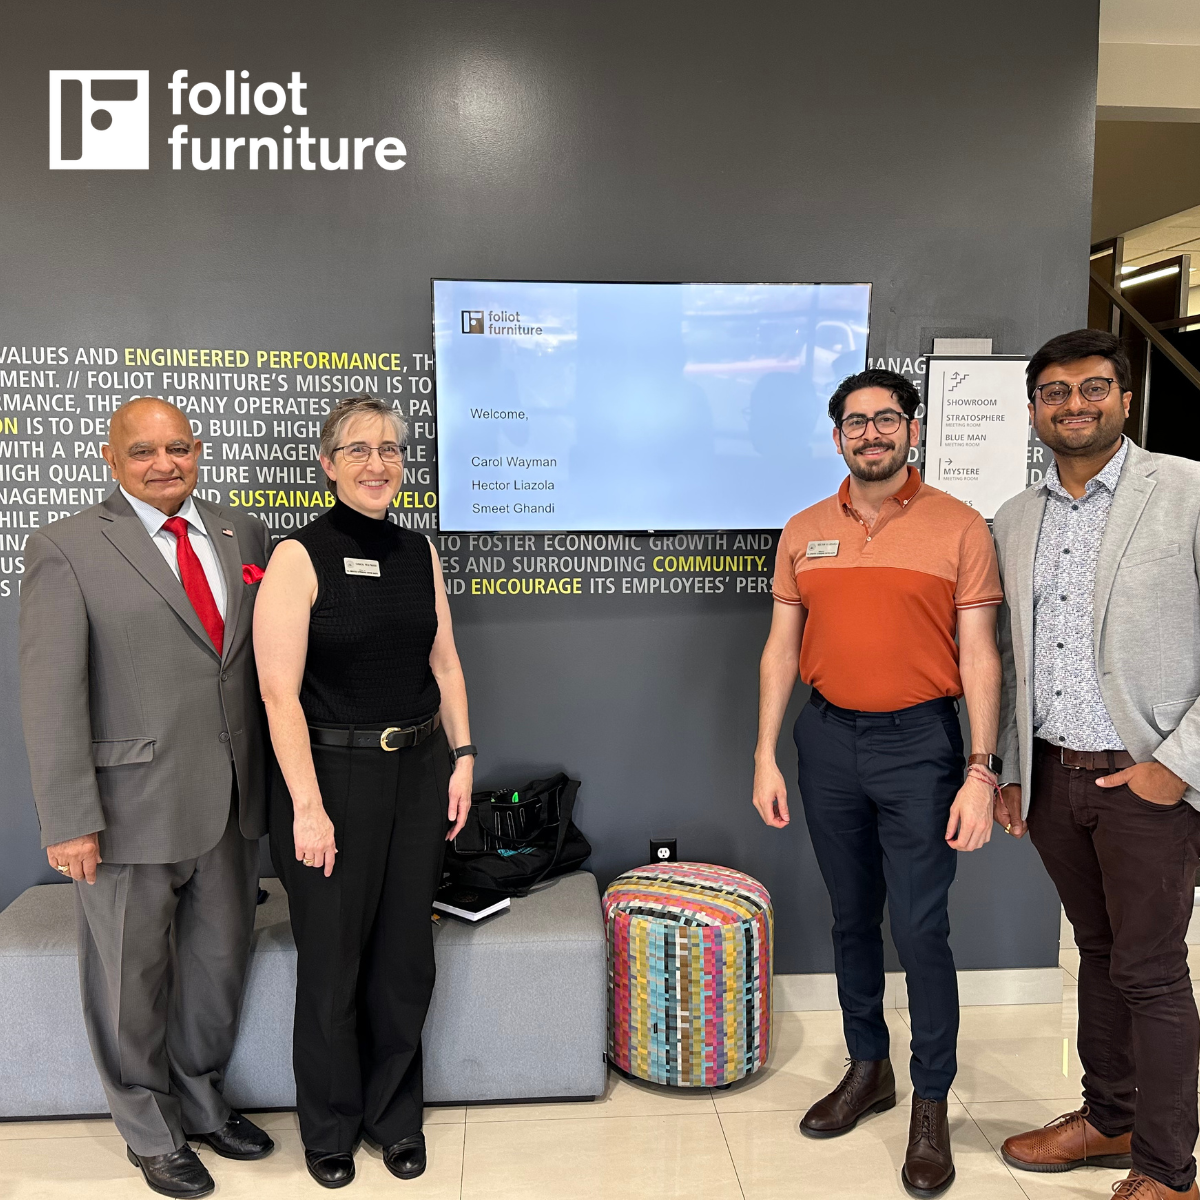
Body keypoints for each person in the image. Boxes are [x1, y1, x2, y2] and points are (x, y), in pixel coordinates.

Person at [752, 368, 1004, 1198]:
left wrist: (981, 768)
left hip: (922, 746)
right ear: (837, 438)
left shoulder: (960, 527)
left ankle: (930, 1101)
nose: (870, 434)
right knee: (850, 917)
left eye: (886, 420)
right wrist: (765, 755)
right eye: (855, 423)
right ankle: (871, 1069)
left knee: (921, 928)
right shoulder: (803, 529)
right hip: (825, 741)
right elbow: (782, 650)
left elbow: (979, 656)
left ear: (912, 431)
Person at [19, 397, 274, 1199]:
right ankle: (147, 1128)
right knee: (130, 979)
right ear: (110, 458)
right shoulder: (65, 547)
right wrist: (68, 819)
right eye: (143, 453)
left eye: (179, 449)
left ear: (198, 450)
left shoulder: (242, 534)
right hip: (127, 810)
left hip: (232, 803)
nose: (164, 464)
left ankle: (200, 1098)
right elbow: (50, 693)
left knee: (219, 964)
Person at [993, 329, 1200, 1200]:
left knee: (1151, 971)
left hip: (1147, 781)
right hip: (1052, 779)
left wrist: (1178, 765)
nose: (1072, 405)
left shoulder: (1188, 492)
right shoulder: (1015, 518)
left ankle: (1168, 1166)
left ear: (1123, 396)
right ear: (1034, 407)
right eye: (1054, 392)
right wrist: (1010, 767)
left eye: (1091, 388)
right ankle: (1108, 1119)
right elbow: (1010, 658)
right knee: (1098, 952)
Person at [254, 396, 474, 1188]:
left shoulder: (420, 552)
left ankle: (394, 1119)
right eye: (357, 449)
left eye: (389, 449)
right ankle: (331, 1128)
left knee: (405, 958)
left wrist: (464, 755)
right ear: (328, 462)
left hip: (416, 770)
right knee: (333, 962)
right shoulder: (298, 556)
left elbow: (444, 665)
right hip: (331, 778)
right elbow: (278, 696)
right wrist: (307, 808)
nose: (377, 464)